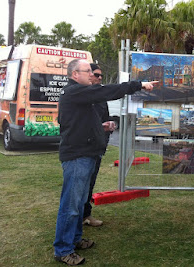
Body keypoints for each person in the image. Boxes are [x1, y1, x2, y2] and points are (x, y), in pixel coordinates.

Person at [53, 59, 157, 265]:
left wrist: (102, 126)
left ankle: (74, 240)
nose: (92, 75)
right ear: (75, 74)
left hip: (86, 155)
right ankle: (63, 249)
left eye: (93, 73)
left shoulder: (80, 94)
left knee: (80, 203)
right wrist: (138, 85)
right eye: (87, 72)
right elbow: (107, 91)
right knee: (71, 206)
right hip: (77, 158)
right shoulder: (74, 92)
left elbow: (78, 124)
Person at [82, 63, 115, 227]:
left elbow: (106, 118)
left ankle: (86, 214)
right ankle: (76, 219)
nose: (100, 78)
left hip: (97, 148)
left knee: (90, 183)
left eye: (101, 75)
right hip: (81, 149)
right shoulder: (79, 95)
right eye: (97, 74)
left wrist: (110, 125)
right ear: (88, 75)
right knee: (79, 185)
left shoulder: (100, 98)